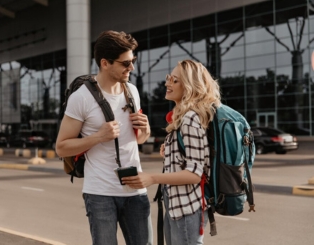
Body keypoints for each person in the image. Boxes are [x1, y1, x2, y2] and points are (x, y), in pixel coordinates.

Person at [55, 30, 153, 245]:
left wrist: (145, 130)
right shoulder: (81, 98)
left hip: (136, 191)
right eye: (125, 63)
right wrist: (99, 136)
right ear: (105, 63)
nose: (132, 68)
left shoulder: (132, 92)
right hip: (100, 194)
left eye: (133, 61)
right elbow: (61, 147)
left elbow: (138, 140)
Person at [122, 60, 221, 245]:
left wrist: (152, 178)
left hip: (187, 208)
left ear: (190, 86)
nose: (167, 83)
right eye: (169, 78)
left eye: (175, 81)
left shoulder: (191, 118)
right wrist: (172, 152)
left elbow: (194, 174)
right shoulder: (184, 117)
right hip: (178, 207)